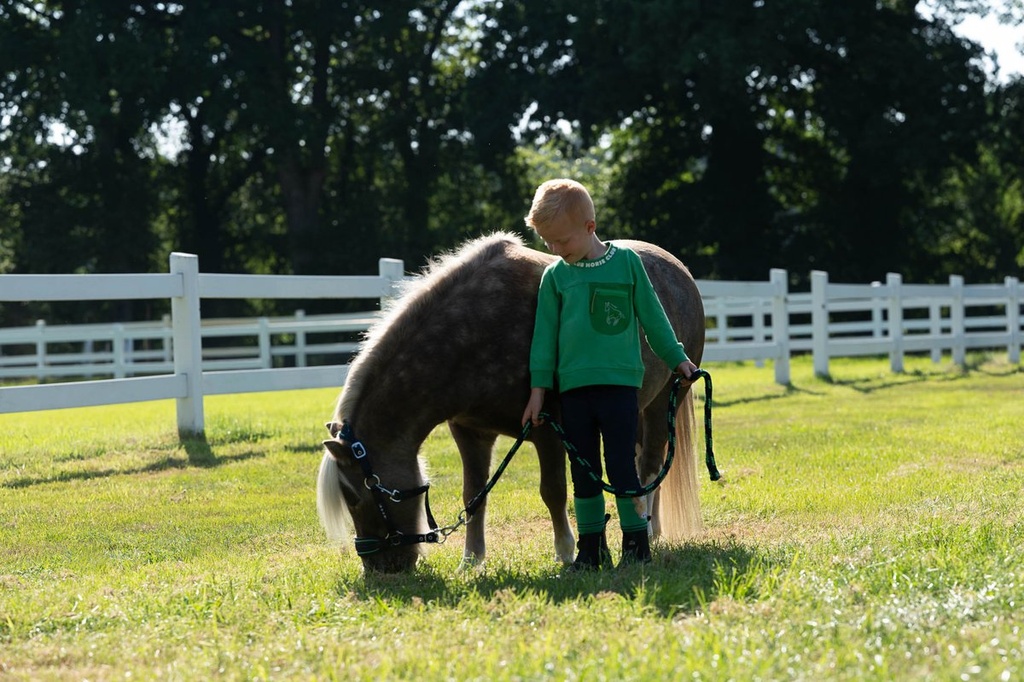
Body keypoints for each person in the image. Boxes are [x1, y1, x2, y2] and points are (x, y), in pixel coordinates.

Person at [520, 178, 699, 571]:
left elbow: (654, 318)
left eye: (561, 241)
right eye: (548, 243)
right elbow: (543, 340)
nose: (555, 250)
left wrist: (678, 359)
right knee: (583, 472)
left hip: (620, 389)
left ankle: (636, 545)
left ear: (590, 227)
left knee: (621, 467)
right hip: (574, 391)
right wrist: (538, 391)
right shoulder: (556, 277)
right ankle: (592, 549)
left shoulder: (627, 264)